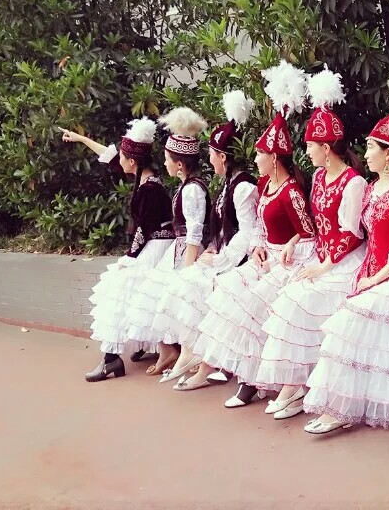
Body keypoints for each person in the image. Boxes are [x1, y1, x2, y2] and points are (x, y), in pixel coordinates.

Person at [302, 73, 389, 434]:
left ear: (388, 153)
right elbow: (356, 232)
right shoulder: (372, 188)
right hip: (371, 273)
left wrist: (374, 279)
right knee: (348, 326)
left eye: (372, 147)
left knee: (349, 322)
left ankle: (343, 408)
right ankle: (342, 406)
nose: (366, 153)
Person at [192, 60, 317, 408]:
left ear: (274, 158)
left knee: (253, 306)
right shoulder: (264, 185)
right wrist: (259, 245)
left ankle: (255, 381)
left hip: (291, 259)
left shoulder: (291, 191)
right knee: (229, 289)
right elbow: (260, 225)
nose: (256, 158)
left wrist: (286, 247)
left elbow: (308, 233)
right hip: (267, 256)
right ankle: (246, 374)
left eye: (261, 153)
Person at [257, 67, 368, 419]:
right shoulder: (319, 176)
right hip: (321, 256)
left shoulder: (353, 182)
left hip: (344, 262)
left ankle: (298, 386)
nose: (305, 151)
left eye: (309, 145)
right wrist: (295, 242)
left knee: (299, 300)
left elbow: (352, 234)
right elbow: (315, 225)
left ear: (326, 148)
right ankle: (294, 384)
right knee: (288, 297)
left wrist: (323, 266)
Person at [150, 92, 261, 389]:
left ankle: (198, 360)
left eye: (212, 154)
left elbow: (248, 232)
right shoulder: (228, 183)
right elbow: (221, 228)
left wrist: (221, 259)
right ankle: (191, 355)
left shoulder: (242, 186)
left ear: (222, 157)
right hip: (225, 255)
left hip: (242, 259)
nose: (208, 160)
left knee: (194, 285)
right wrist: (212, 249)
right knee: (183, 284)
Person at [60, 119, 175, 382]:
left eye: (123, 157)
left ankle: (111, 359)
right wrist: (81, 139)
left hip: (156, 245)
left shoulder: (149, 189)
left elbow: (143, 230)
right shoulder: (145, 179)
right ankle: (143, 346)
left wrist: (130, 258)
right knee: (137, 295)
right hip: (155, 244)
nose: (119, 160)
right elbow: (110, 155)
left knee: (119, 289)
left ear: (132, 161)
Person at [124, 107, 210, 377]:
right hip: (178, 249)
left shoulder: (193, 189)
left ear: (180, 164)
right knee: (156, 297)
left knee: (181, 301)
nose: (165, 164)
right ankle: (169, 352)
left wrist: (188, 269)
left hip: (187, 252)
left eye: (167, 159)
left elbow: (195, 231)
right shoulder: (186, 186)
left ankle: (188, 355)